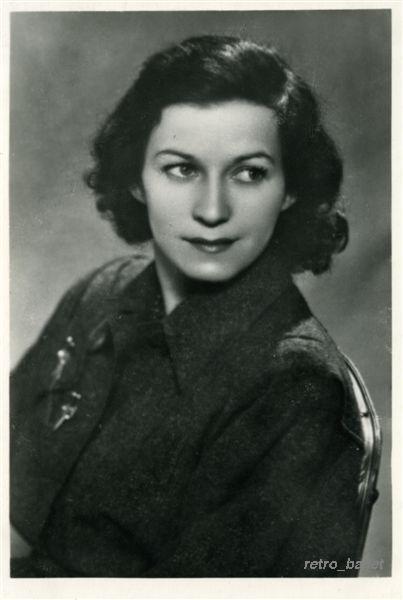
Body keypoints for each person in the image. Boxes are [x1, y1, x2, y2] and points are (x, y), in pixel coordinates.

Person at [10, 35, 365, 577]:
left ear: (291, 189)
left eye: (249, 172)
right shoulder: (101, 292)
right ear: (136, 179)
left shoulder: (297, 385)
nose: (212, 210)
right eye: (182, 169)